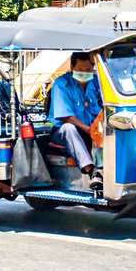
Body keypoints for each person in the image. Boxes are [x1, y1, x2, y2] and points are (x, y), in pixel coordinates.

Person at [48, 52, 103, 190]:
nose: (84, 73)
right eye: (80, 70)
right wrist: (90, 130)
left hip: (93, 129)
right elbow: (66, 117)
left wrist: (98, 130)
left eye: (88, 70)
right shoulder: (62, 84)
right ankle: (93, 172)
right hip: (64, 131)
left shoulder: (97, 83)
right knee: (69, 129)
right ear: (72, 68)